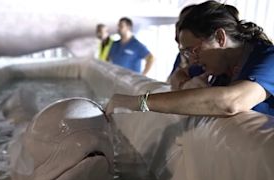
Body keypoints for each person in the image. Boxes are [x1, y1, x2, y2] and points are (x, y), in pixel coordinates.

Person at [106, 1, 274, 116]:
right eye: (187, 53)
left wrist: (140, 102)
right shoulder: (218, 65)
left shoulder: (268, 59)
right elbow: (177, 76)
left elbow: (231, 102)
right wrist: (185, 84)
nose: (193, 59)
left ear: (220, 38)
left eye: (194, 50)